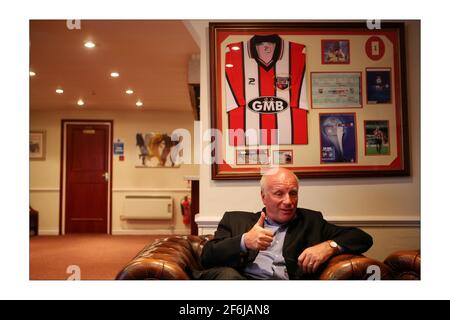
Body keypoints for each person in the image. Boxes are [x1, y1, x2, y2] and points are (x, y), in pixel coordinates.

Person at [196, 167, 373, 280]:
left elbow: (362, 238)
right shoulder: (235, 220)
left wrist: (329, 246)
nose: (288, 201)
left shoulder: (311, 221)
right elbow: (207, 256)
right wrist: (244, 242)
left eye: (293, 193)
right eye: (279, 193)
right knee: (228, 276)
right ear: (263, 197)